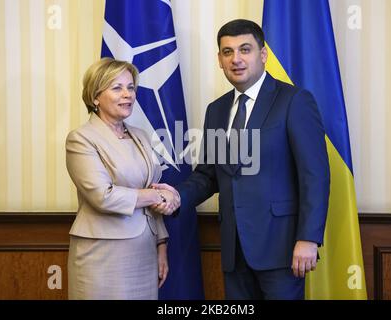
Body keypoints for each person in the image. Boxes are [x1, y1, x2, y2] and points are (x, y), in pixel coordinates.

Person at [153, 19, 330, 299]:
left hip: (282, 249)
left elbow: (315, 175)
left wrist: (308, 238)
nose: (236, 59)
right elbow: (208, 175)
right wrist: (176, 195)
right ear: (220, 60)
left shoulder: (294, 101)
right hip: (234, 250)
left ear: (262, 55)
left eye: (244, 49)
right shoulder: (217, 110)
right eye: (227, 52)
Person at [65, 57, 179, 300]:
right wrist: (157, 195)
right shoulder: (81, 139)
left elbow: (152, 189)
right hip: (103, 255)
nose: (127, 94)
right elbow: (102, 196)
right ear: (95, 96)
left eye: (130, 87)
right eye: (117, 88)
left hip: (145, 252)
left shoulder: (140, 135)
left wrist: (161, 245)